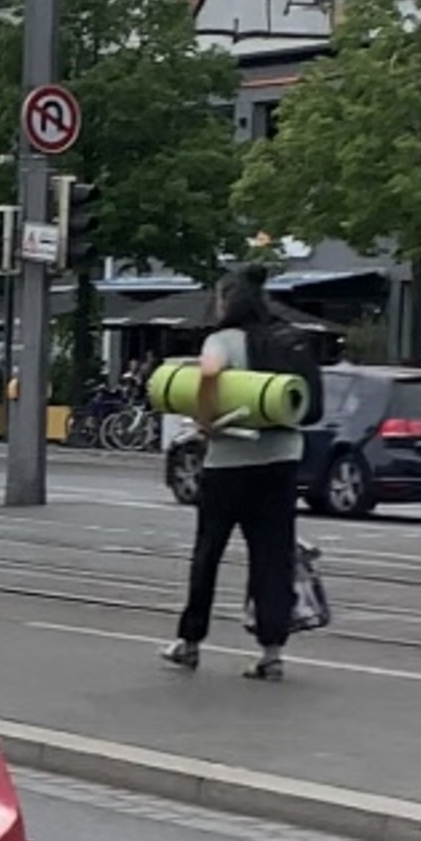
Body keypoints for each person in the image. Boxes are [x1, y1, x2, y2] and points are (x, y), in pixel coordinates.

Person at [163, 265, 311, 681]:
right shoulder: (283, 336)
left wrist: (207, 419)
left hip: (230, 464)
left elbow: (209, 373)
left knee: (208, 553)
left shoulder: (222, 340)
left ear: (227, 301)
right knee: (271, 557)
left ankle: (190, 642)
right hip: (282, 459)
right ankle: (272, 652)